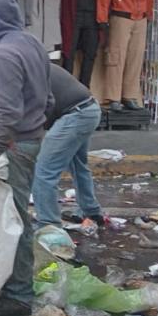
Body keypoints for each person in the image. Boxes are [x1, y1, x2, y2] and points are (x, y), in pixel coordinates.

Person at [0, 0, 52, 316]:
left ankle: (17, 293)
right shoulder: (30, 43)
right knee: (11, 216)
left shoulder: (4, 54)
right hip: (28, 141)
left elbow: (8, 113)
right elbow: (48, 99)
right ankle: (7, 283)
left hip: (12, 147)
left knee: (12, 219)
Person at [33, 64, 105, 232]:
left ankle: (48, 225)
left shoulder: (21, 69)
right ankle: (91, 211)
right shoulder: (37, 64)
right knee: (78, 165)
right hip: (89, 109)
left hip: (75, 114)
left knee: (43, 172)